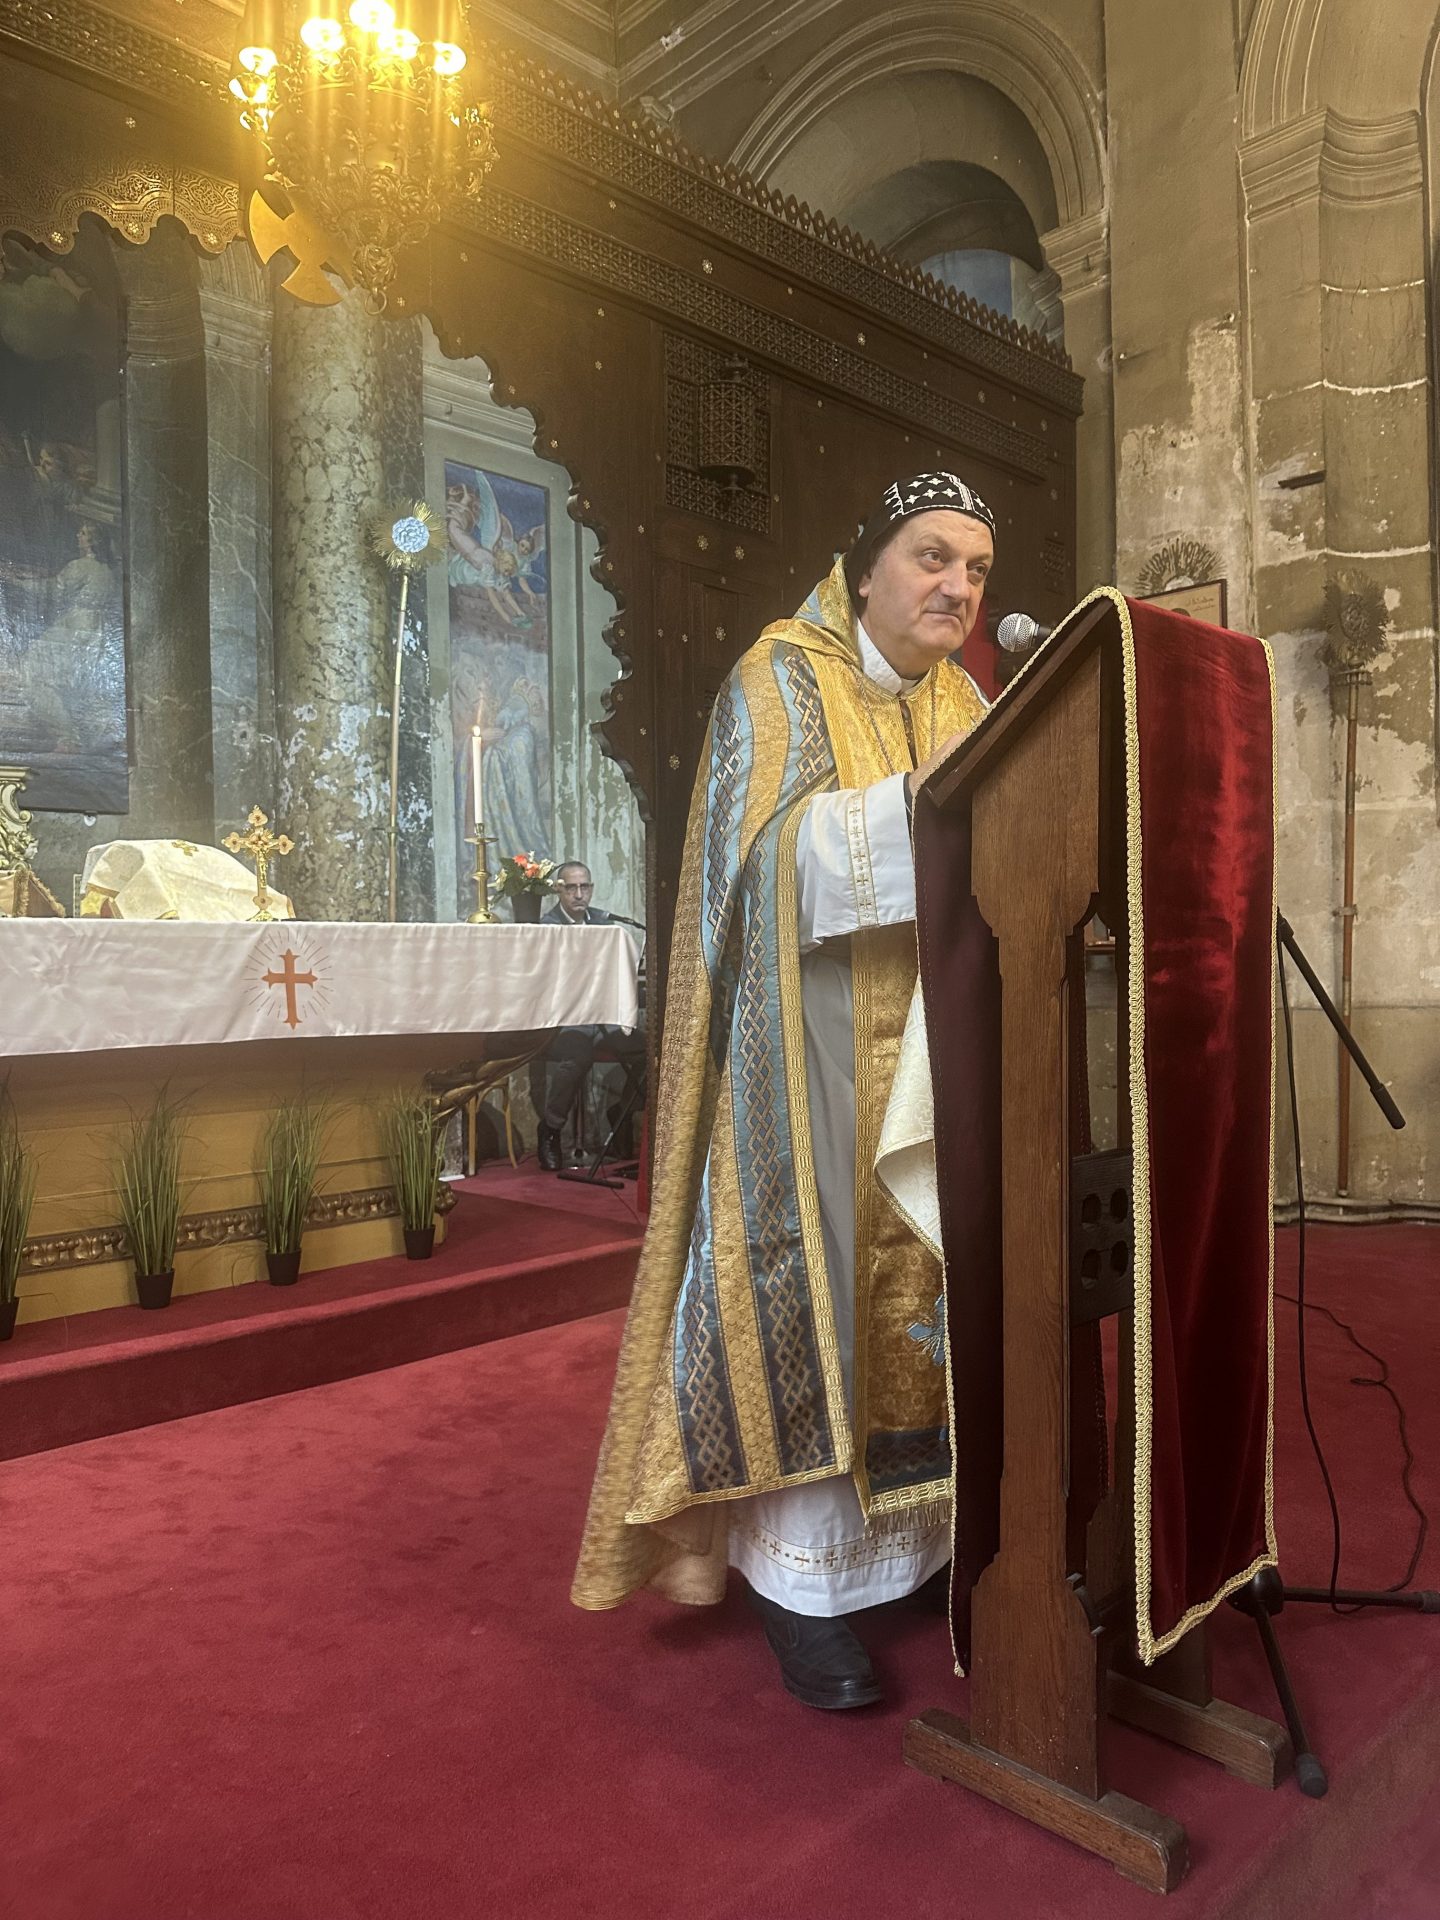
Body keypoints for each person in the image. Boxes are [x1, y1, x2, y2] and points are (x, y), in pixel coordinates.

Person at [572, 473, 994, 1710]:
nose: (956, 589)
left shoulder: (969, 701)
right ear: (866, 568)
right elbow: (758, 866)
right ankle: (804, 1586)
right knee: (818, 1292)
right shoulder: (781, 676)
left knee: (931, 1290)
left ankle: (911, 1547)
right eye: (931, 559)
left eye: (973, 569)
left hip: (936, 1065)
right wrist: (932, 813)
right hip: (805, 1060)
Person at [537, 861, 646, 1171]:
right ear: (558, 890)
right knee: (577, 1058)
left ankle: (622, 1111)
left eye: (584, 886)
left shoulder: (604, 923)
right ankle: (551, 1129)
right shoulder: (546, 928)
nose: (579, 894)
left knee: (652, 1053)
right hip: (567, 1018)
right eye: (571, 887)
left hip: (604, 1015)